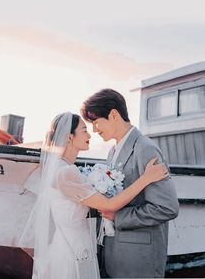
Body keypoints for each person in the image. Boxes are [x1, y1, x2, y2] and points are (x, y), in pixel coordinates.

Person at [20, 112, 169, 279]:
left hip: (69, 244)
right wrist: (145, 179)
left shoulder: (62, 169)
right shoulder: (66, 172)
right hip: (72, 250)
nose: (90, 134)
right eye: (84, 130)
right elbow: (109, 205)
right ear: (69, 138)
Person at [81, 89, 179, 278]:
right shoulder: (112, 151)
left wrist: (117, 216)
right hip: (113, 253)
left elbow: (167, 208)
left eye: (95, 122)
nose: (94, 129)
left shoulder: (146, 149)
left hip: (138, 260)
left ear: (114, 114)